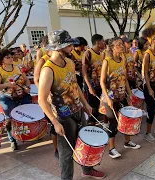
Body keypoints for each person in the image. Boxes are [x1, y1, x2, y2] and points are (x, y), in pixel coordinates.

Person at [38, 30, 105, 179]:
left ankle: (87, 170)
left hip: (78, 110)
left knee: (84, 141)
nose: (72, 48)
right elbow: (41, 100)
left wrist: (85, 104)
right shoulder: (48, 70)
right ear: (57, 48)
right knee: (66, 153)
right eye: (68, 45)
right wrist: (54, 122)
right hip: (63, 116)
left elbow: (75, 86)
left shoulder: (69, 63)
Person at [100, 37, 141, 158]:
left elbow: (125, 79)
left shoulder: (122, 59)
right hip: (110, 98)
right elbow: (102, 82)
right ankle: (111, 149)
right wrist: (108, 99)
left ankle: (127, 142)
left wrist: (129, 94)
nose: (122, 46)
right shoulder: (107, 61)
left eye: (122, 44)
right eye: (118, 44)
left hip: (122, 95)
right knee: (113, 122)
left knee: (127, 118)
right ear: (112, 47)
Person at [0, 49, 32, 151]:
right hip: (7, 99)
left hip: (22, 96)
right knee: (9, 119)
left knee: (26, 114)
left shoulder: (17, 68)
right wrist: (7, 85)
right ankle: (12, 140)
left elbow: (26, 80)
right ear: (2, 60)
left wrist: (28, 88)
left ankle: (27, 135)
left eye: (11, 56)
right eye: (8, 57)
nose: (11, 58)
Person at [82, 34, 105, 124]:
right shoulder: (88, 53)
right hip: (91, 85)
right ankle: (91, 124)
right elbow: (84, 72)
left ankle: (99, 122)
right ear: (98, 43)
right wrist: (90, 87)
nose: (104, 43)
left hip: (100, 84)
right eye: (103, 41)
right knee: (93, 106)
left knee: (101, 105)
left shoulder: (102, 54)